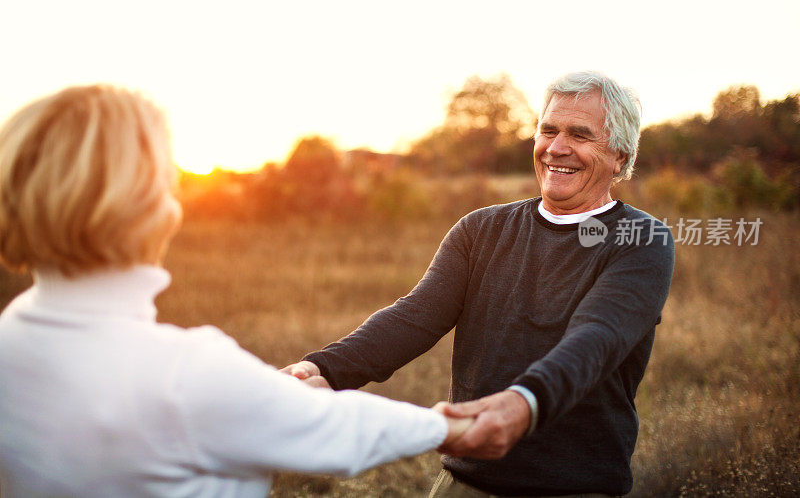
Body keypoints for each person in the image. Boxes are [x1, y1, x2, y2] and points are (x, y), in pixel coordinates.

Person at [0, 85, 473, 497]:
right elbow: (337, 432)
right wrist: (444, 426)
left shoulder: (11, 339)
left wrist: (301, 376)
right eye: (165, 182)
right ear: (143, 207)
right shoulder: (184, 372)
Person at [282, 71, 675, 497]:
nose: (557, 148)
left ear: (619, 155)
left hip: (575, 487)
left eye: (580, 135)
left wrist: (523, 403)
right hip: (465, 482)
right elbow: (413, 318)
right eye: (548, 130)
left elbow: (596, 339)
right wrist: (322, 369)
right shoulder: (480, 230)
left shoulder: (641, 239)